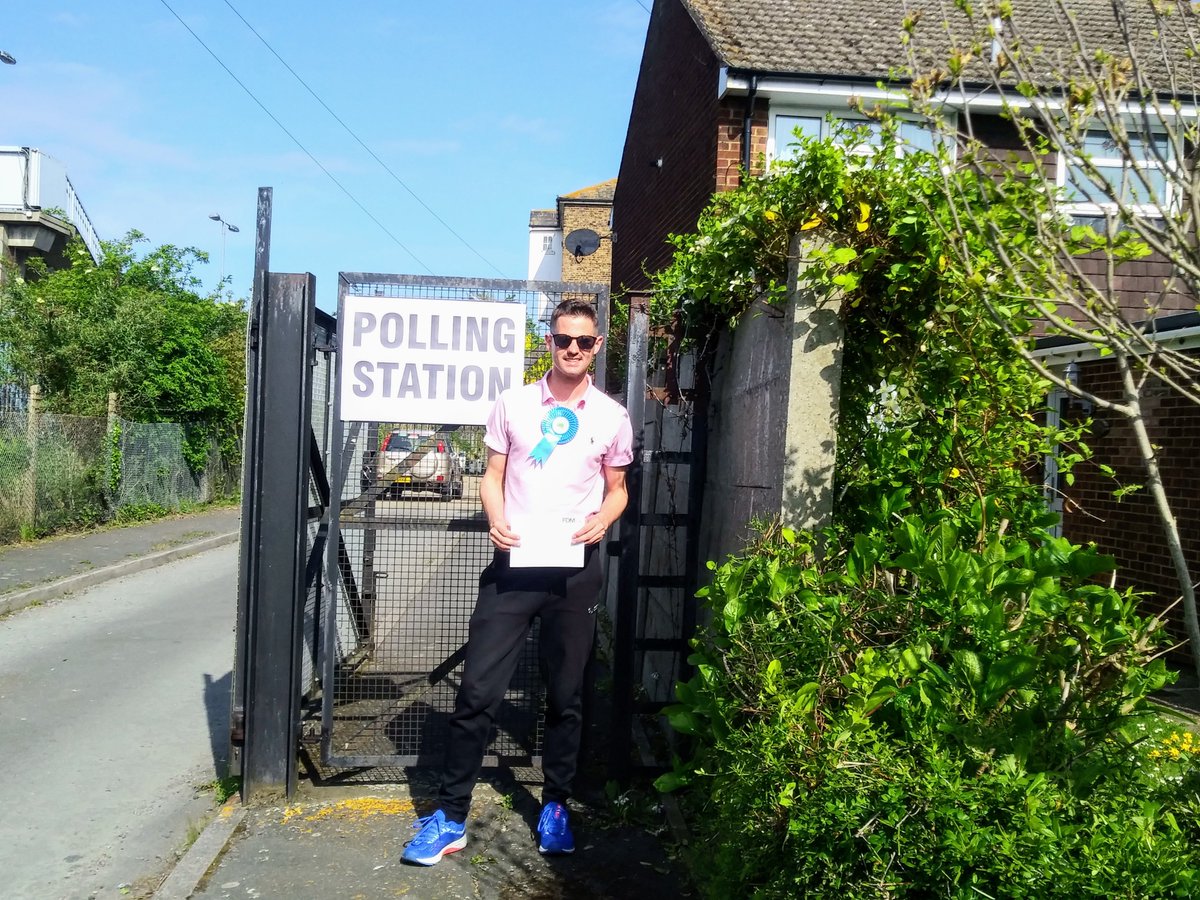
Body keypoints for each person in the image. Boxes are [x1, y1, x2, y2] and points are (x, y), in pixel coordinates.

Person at [402, 298, 633, 866]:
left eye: (582, 341)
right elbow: (493, 477)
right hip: (514, 569)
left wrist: (604, 520)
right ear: (548, 342)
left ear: (597, 346)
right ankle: (451, 815)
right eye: (562, 340)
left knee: (566, 695)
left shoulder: (611, 415)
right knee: (477, 690)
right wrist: (496, 518)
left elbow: (618, 489)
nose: (572, 349)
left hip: (575, 573)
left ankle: (556, 804)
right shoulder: (513, 404)